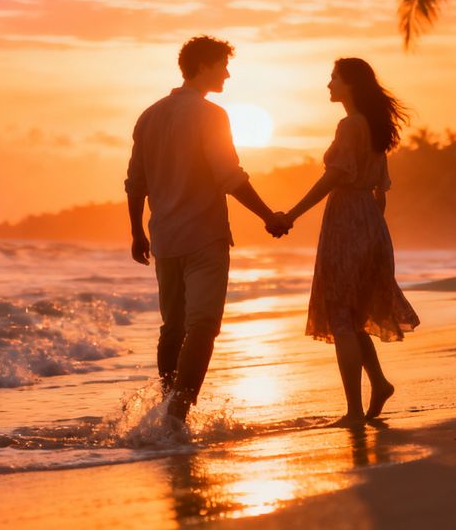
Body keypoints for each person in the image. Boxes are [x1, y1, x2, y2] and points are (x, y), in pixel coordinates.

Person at [125, 36, 289, 424]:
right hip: (203, 236)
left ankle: (167, 404)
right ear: (202, 66)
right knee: (203, 325)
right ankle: (178, 413)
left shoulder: (149, 115)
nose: (228, 74)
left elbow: (135, 182)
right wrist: (269, 216)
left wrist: (136, 232)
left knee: (174, 327)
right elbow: (229, 177)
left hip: (164, 237)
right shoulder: (210, 115)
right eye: (222, 66)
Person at [278, 58, 420, 426]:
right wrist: (371, 229)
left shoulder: (350, 125)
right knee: (354, 316)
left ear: (351, 85)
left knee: (342, 316)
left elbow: (333, 178)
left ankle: (354, 412)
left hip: (347, 222)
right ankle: (379, 383)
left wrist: (292, 214)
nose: (328, 85)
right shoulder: (373, 127)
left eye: (334, 79)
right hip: (370, 222)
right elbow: (381, 193)